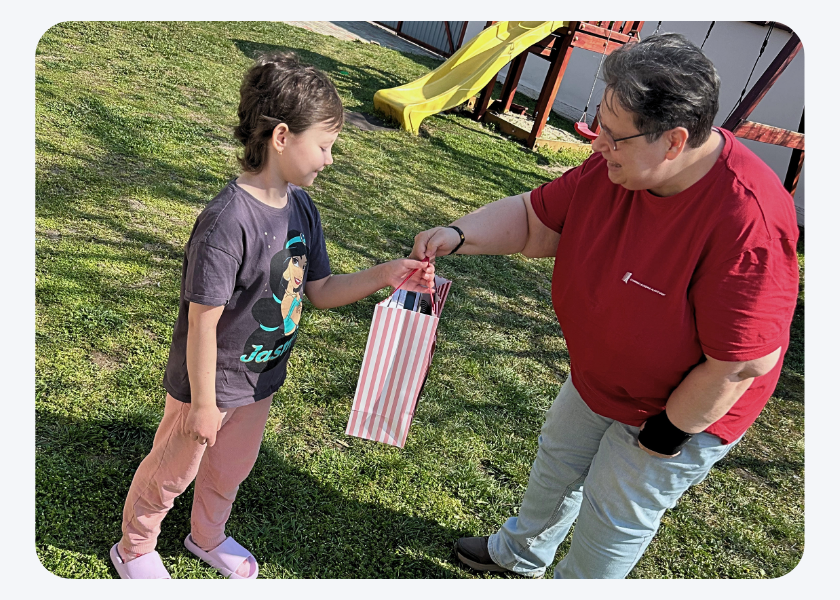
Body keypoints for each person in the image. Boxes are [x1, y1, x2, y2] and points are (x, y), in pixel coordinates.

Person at [411, 33, 800, 579]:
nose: (598, 145)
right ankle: (519, 555)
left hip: (680, 410)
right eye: (600, 124)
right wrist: (457, 235)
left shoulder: (746, 220)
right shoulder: (621, 166)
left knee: (613, 513)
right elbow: (536, 220)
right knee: (558, 462)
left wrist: (667, 432)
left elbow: (740, 362)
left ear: (674, 142)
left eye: (614, 136)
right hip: (602, 376)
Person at [110, 52, 435, 579]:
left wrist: (388, 274)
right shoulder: (226, 223)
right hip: (209, 386)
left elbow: (320, 290)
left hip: (260, 379)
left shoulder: (301, 207)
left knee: (231, 469)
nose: (330, 159)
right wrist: (203, 405)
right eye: (324, 146)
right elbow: (202, 323)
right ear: (282, 137)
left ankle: (206, 536)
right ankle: (135, 548)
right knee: (172, 472)